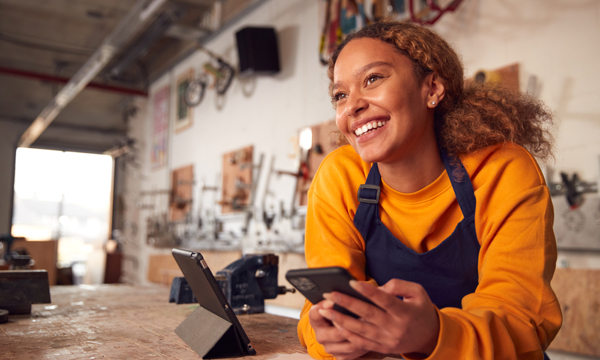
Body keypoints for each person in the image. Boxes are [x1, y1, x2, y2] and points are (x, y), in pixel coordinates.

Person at [297, 20, 562, 360]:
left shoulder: (501, 169)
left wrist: (434, 336)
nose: (352, 106)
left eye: (373, 79)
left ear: (432, 88)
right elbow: (316, 311)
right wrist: (329, 338)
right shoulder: (339, 177)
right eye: (340, 95)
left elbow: (523, 323)